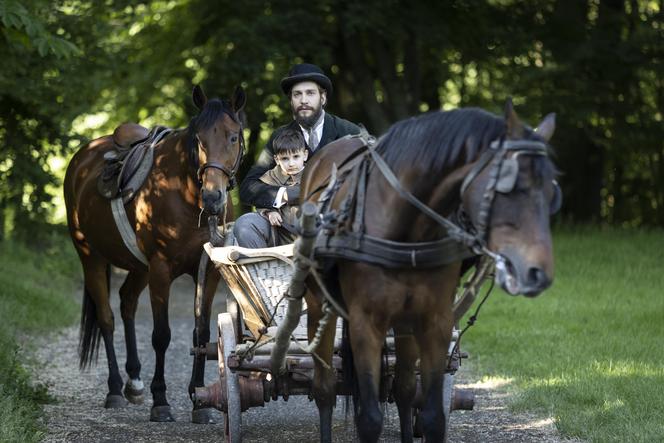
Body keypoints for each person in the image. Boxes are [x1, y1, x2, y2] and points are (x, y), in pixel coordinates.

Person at [234, 63, 361, 248]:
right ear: (291, 101)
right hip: (286, 226)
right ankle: (271, 276)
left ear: (323, 97)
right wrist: (284, 194)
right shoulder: (280, 138)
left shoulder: (348, 132)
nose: (303, 100)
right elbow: (248, 187)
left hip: (335, 224)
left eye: (310, 93)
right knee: (245, 225)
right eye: (297, 94)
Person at [257, 129, 308, 246]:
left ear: (305, 155)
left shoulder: (313, 174)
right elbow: (261, 200)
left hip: (310, 236)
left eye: (296, 157)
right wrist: (270, 212)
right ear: (277, 160)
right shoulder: (270, 177)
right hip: (282, 237)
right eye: (285, 159)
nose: (291, 163)